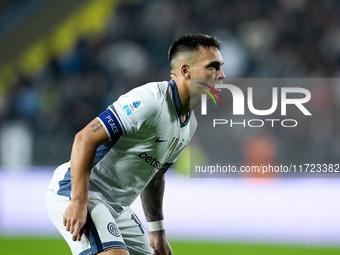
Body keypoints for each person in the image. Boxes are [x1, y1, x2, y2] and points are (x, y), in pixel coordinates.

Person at [46, 33, 225, 255]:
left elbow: (155, 176)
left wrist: (157, 231)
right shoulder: (150, 100)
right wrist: (79, 201)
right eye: (213, 67)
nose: (221, 75)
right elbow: (84, 138)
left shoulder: (189, 125)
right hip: (81, 191)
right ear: (186, 71)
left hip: (116, 207)